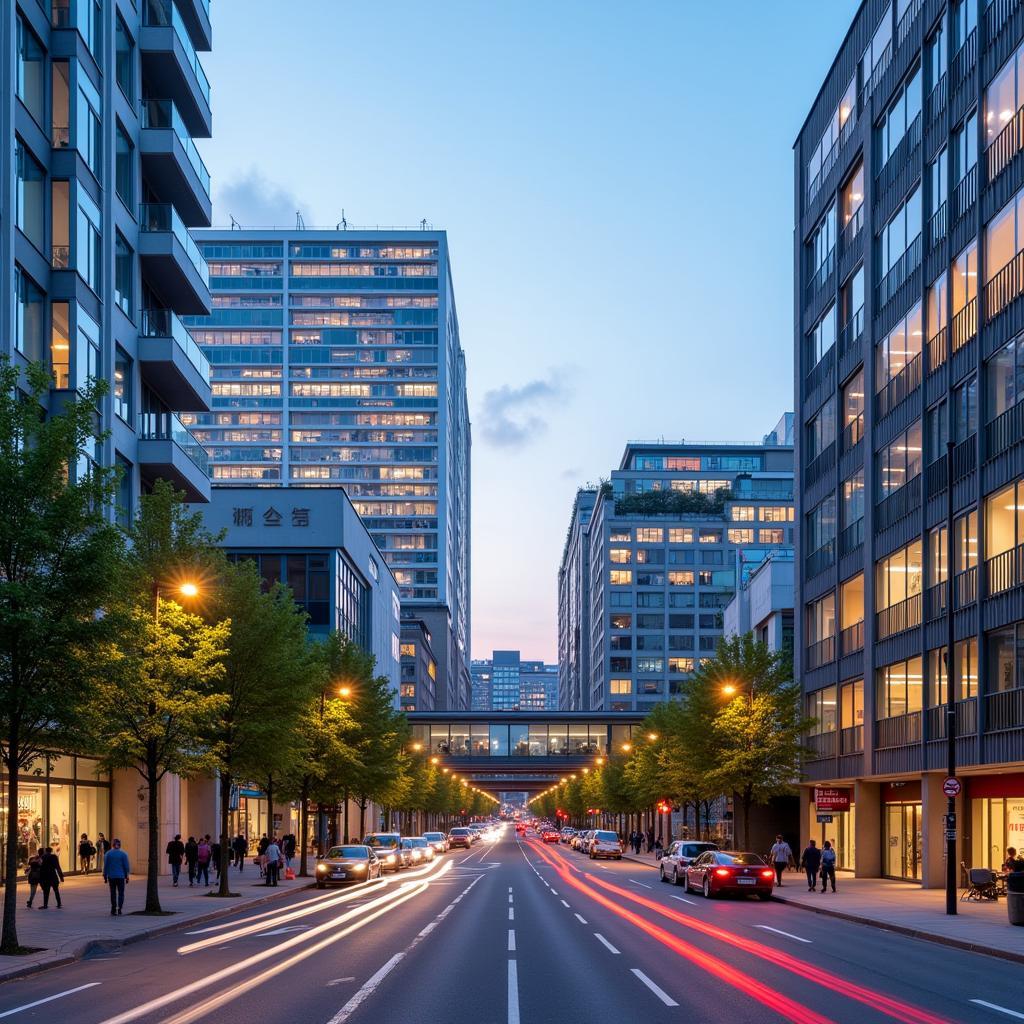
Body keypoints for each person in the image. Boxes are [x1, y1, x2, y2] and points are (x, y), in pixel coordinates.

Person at [103, 838, 130, 916]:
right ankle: (120, 908)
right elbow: (126, 867)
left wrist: (105, 875)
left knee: (113, 893)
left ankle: (113, 908)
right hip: (121, 876)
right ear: (120, 845)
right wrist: (127, 876)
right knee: (121, 893)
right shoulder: (124, 854)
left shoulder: (108, 854)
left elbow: (106, 866)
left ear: (112, 845)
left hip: (111, 876)